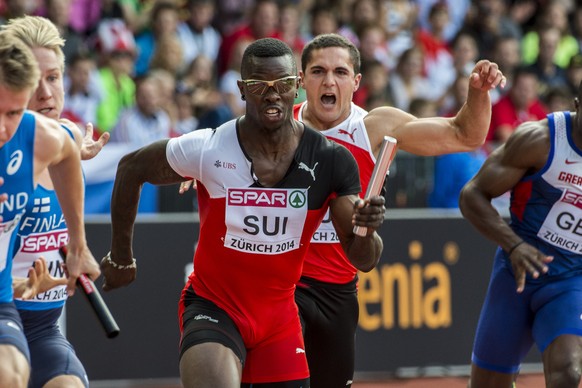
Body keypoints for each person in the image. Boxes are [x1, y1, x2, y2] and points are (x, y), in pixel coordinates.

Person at [101, 37, 386, 387]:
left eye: (282, 84)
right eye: (258, 85)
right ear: (241, 89)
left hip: (279, 320)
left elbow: (364, 259)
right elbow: (131, 167)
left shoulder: (330, 160)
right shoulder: (208, 148)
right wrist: (120, 257)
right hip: (213, 306)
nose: (272, 94)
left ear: (296, 86)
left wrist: (365, 228)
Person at [293, 33, 506, 387]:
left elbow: (464, 135)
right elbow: (224, 148)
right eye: (318, 71)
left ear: (356, 81)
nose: (329, 81)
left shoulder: (374, 127)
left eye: (340, 72)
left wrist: (478, 93)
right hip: (285, 283)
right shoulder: (281, 126)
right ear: (302, 80)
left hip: (339, 287)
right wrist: (194, 171)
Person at [3, 15, 109, 388]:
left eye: (53, 78)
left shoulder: (64, 137)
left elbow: (65, 140)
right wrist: (22, 286)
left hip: (42, 328)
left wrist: (78, 249)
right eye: (34, 81)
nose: (46, 93)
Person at [459, 82, 582, 387]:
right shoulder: (540, 140)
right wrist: (514, 246)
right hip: (517, 272)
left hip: (571, 280)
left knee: (568, 372)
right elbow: (472, 195)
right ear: (578, 104)